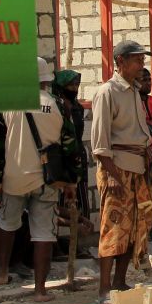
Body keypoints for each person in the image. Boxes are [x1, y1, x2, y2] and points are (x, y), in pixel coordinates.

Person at [0, 57, 74, 301]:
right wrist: (71, 183)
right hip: (48, 180)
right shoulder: (58, 105)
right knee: (44, 233)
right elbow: (70, 148)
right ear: (46, 80)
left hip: (14, 178)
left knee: (7, 223)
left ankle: (2, 272)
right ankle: (40, 290)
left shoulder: (8, 105)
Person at [91, 41, 152, 304]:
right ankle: (104, 287)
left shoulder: (134, 92)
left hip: (137, 166)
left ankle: (120, 280)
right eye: (137, 60)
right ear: (120, 61)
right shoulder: (107, 92)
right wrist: (113, 175)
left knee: (135, 227)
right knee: (113, 227)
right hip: (117, 167)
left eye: (142, 60)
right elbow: (100, 143)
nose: (142, 65)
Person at [53, 69, 91, 223]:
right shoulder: (55, 108)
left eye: (77, 85)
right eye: (70, 85)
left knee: (80, 203)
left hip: (77, 161)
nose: (74, 89)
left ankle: (76, 244)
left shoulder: (78, 108)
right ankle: (59, 243)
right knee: (60, 205)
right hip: (59, 162)